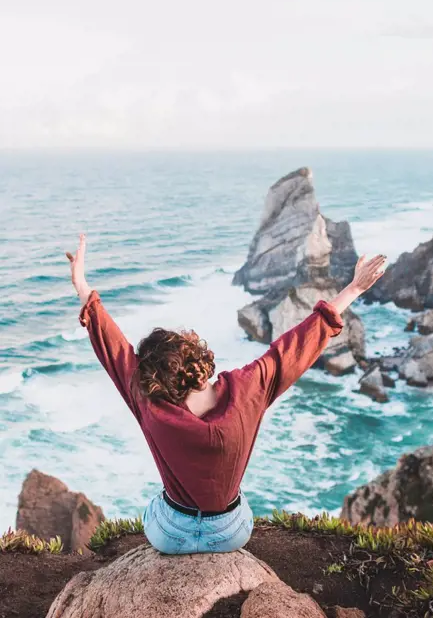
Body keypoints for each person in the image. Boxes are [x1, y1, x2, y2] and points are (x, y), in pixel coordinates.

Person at [66, 233, 386, 555]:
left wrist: (81, 284)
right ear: (198, 359)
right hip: (229, 533)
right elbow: (296, 347)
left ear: (153, 378)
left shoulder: (151, 404)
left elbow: (113, 348)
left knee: (154, 507)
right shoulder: (247, 390)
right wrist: (354, 288)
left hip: (171, 536)